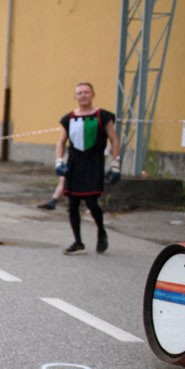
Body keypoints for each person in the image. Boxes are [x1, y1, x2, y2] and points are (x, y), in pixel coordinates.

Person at [55, 81, 120, 255]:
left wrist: (115, 164)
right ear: (75, 96)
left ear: (92, 94)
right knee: (73, 203)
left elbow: (114, 140)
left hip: (94, 163)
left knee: (92, 202)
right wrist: (59, 161)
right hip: (74, 163)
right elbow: (61, 141)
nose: (83, 95)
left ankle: (101, 231)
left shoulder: (103, 116)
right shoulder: (69, 118)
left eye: (86, 92)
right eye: (80, 93)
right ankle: (78, 241)